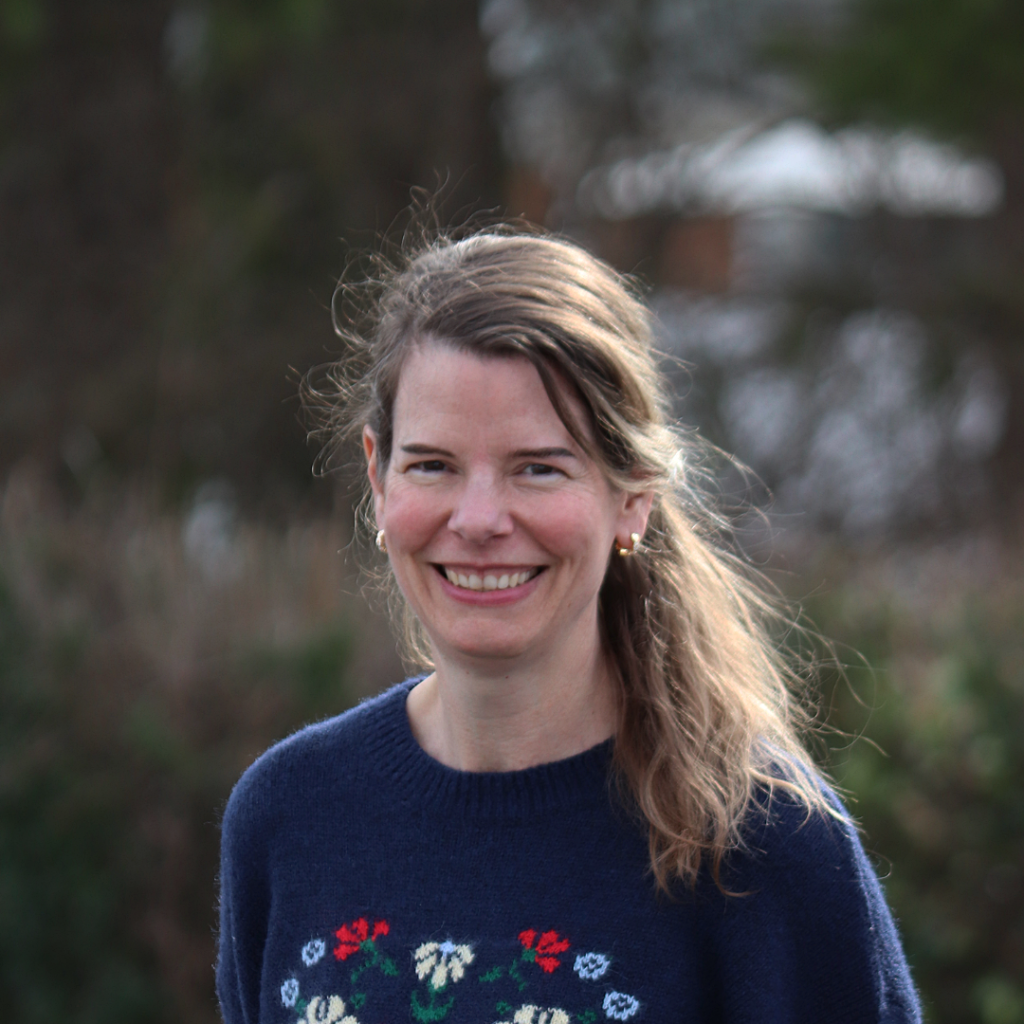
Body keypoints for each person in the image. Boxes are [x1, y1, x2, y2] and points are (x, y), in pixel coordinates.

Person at [217, 228, 921, 1024]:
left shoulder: (763, 845)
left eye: (538, 468)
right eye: (433, 465)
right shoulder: (288, 817)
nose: (478, 519)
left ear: (633, 495)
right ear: (378, 477)